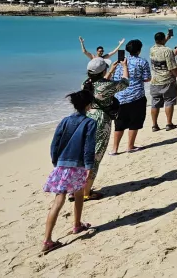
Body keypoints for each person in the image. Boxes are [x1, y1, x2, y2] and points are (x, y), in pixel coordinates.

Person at [42, 89, 97, 255]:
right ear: (89, 105)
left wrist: (55, 162)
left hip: (62, 164)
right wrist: (89, 166)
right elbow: (89, 148)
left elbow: (55, 144)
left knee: (62, 199)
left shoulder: (65, 120)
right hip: (78, 165)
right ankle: (71, 227)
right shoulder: (90, 123)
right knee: (75, 195)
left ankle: (55, 235)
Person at [80, 56, 129, 200]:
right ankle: (86, 193)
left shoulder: (86, 84)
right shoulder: (106, 86)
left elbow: (100, 83)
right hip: (101, 120)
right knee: (95, 156)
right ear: (102, 72)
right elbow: (125, 83)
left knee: (84, 154)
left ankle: (78, 186)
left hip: (87, 117)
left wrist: (111, 70)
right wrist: (124, 66)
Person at [110, 39, 151, 155]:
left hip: (120, 96)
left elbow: (115, 78)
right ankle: (130, 146)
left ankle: (114, 149)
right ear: (139, 50)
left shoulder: (119, 62)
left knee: (119, 124)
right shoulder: (142, 62)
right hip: (136, 96)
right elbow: (147, 78)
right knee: (135, 121)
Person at [149, 31, 177, 131]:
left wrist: (167, 38)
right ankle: (169, 123)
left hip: (155, 80)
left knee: (155, 103)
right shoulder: (168, 50)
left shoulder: (152, 49)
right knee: (169, 101)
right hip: (167, 80)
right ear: (163, 40)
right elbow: (172, 67)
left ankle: (154, 125)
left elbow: (160, 46)